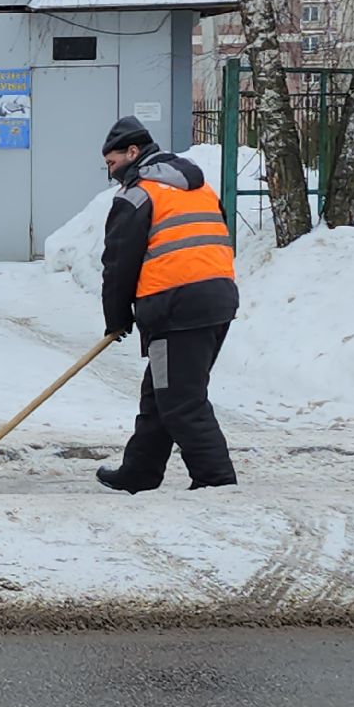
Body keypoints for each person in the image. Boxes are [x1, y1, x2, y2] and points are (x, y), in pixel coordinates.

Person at [95, 116, 240, 492]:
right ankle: (140, 471)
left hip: (176, 306)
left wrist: (116, 318)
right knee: (160, 392)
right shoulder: (197, 186)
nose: (111, 173)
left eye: (113, 163)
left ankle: (215, 480)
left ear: (132, 152)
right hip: (217, 297)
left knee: (180, 399)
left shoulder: (137, 195)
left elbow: (118, 264)